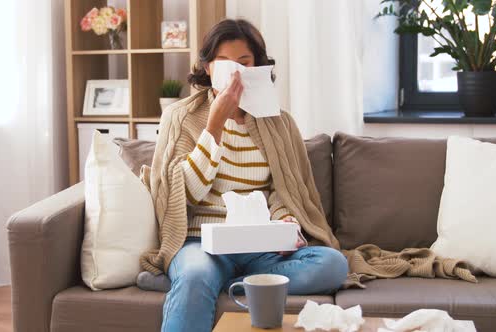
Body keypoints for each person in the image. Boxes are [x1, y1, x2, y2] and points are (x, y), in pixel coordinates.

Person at [147, 19, 349, 332]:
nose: (235, 73)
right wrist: (214, 125)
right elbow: (184, 195)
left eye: (244, 63)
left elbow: (285, 190)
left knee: (333, 264)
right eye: (224, 64)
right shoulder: (181, 117)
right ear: (208, 68)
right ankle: (211, 280)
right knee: (197, 275)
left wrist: (286, 222)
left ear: (258, 67)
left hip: (260, 246)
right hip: (203, 244)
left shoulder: (278, 122)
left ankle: (231, 284)